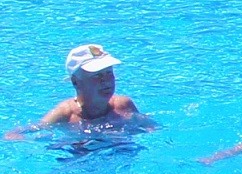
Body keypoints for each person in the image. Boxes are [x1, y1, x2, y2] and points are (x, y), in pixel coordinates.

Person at [6, 44, 155, 139]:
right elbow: (26, 131)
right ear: (76, 82)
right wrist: (16, 136)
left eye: (109, 73)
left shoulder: (124, 105)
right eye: (97, 76)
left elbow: (151, 128)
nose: (106, 81)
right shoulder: (65, 114)